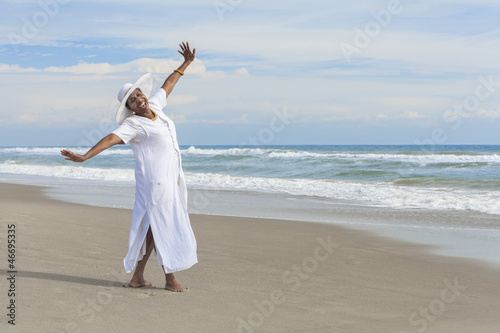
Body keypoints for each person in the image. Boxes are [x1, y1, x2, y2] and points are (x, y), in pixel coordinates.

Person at [61, 42, 198, 292]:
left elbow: (168, 85)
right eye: (132, 101)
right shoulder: (134, 125)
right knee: (161, 226)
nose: (139, 100)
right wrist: (85, 156)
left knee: (153, 227)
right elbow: (110, 139)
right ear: (129, 109)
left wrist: (185, 64)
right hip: (155, 183)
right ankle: (170, 279)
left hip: (169, 179)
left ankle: (138, 277)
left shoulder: (155, 106)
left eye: (138, 95)